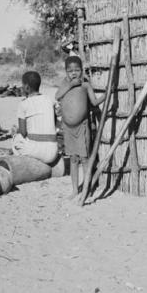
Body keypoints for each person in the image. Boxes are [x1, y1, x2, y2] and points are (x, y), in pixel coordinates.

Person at [55, 56, 105, 199]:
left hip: (82, 127)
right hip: (68, 128)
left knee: (84, 158)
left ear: (82, 71)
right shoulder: (65, 84)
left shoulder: (85, 85)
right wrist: (70, 85)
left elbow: (94, 103)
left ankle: (86, 189)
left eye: (77, 70)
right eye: (70, 71)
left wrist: (107, 94)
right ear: (66, 72)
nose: (74, 73)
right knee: (73, 159)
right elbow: (57, 96)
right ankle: (75, 190)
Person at [12, 71, 59, 164]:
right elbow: (54, 123)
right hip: (53, 153)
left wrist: (16, 131)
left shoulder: (23, 104)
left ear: (26, 87)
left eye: (22, 85)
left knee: (16, 138)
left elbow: (23, 133)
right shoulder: (49, 100)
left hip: (36, 151)